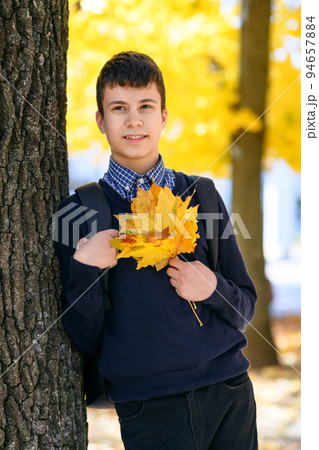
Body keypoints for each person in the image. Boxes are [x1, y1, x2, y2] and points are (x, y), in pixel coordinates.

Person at [57, 51, 258, 449]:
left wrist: (212, 288)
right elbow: (83, 336)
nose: (134, 120)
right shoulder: (80, 212)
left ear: (163, 116)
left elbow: (244, 308)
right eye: (119, 108)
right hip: (147, 407)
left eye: (145, 106)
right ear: (101, 120)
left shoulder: (201, 194)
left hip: (229, 391)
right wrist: (84, 268)